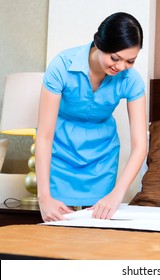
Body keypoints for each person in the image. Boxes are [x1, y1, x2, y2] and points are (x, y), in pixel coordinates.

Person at [36, 12, 147, 222]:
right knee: (57, 231)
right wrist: (44, 197)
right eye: (115, 58)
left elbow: (140, 145)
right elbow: (44, 136)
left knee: (97, 232)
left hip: (101, 158)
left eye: (130, 61)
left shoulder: (131, 80)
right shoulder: (61, 66)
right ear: (99, 43)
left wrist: (117, 194)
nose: (121, 67)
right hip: (60, 153)